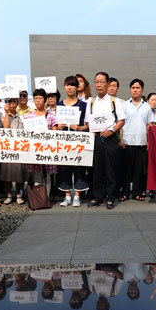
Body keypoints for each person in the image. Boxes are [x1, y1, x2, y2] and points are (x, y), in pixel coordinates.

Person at [86, 72, 126, 209]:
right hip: (96, 138)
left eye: (102, 82)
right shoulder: (91, 102)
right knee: (96, 169)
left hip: (110, 138)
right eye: (97, 82)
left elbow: (122, 120)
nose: (99, 85)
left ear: (107, 84)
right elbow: (88, 122)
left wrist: (112, 131)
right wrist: (90, 130)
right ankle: (97, 197)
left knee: (110, 169)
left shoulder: (114, 101)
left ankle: (110, 197)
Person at [55, 75, 89, 206]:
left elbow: (88, 125)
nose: (69, 88)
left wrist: (79, 128)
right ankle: (67, 196)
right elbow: (55, 126)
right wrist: (59, 127)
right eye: (67, 85)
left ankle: (77, 196)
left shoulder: (83, 105)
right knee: (64, 167)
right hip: (64, 141)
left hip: (78, 141)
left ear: (77, 87)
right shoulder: (59, 105)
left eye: (72, 85)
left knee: (79, 167)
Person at [120, 78, 154, 201]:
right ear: (130, 89)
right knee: (125, 169)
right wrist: (121, 139)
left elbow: (149, 125)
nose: (135, 90)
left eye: (138, 88)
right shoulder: (124, 105)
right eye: (133, 88)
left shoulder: (147, 107)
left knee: (138, 170)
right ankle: (124, 192)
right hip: (127, 141)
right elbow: (120, 124)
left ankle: (136, 192)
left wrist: (149, 141)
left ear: (142, 90)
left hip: (141, 141)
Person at [25, 88, 57, 191]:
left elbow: (55, 132)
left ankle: (45, 197)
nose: (38, 100)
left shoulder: (51, 115)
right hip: (33, 150)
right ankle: (35, 197)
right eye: (36, 98)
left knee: (46, 176)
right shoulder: (28, 116)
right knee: (34, 176)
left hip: (47, 149)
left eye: (40, 98)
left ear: (45, 100)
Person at [0, 97, 26, 204]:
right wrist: (6, 113)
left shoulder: (21, 117)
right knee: (7, 171)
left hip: (18, 146)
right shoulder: (1, 115)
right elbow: (6, 128)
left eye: (14, 102)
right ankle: (9, 194)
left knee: (19, 171)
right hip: (7, 147)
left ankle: (19, 194)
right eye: (9, 102)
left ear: (17, 103)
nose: (11, 104)